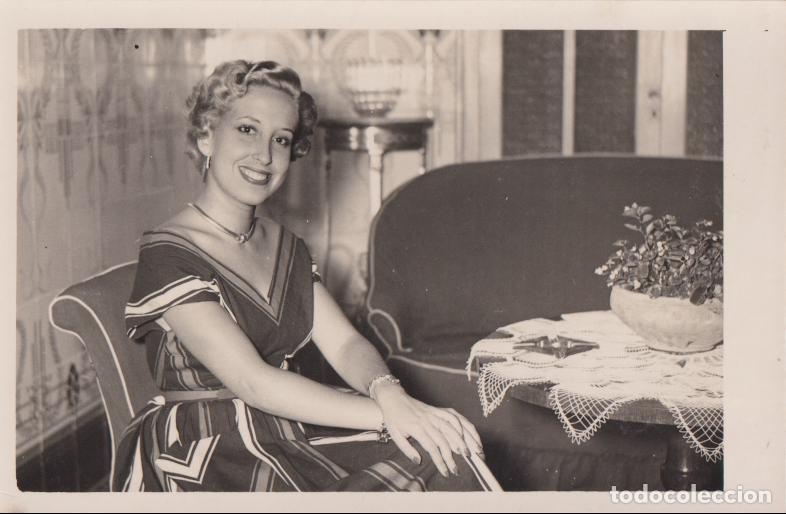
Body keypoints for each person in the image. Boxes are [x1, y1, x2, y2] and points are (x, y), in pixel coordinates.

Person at [113, 60, 501, 492]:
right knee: (430, 453)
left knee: (447, 455)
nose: (264, 155)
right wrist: (393, 415)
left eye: (281, 140)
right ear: (206, 136)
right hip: (205, 447)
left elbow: (346, 342)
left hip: (285, 423)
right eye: (247, 130)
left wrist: (390, 393)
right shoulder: (168, 252)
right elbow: (251, 382)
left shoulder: (285, 245)